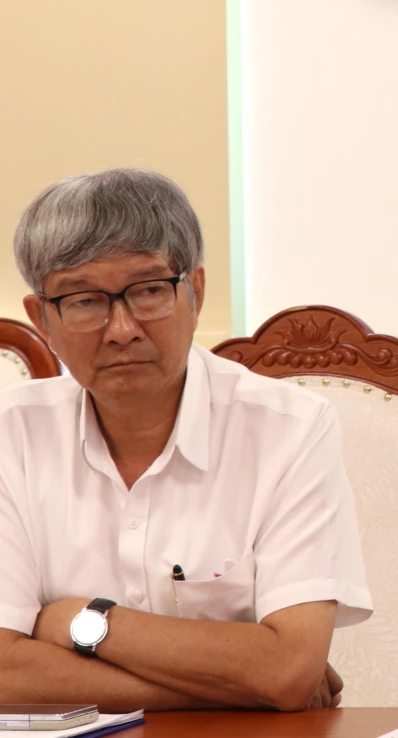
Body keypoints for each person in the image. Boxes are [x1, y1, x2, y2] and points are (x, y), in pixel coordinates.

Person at [0, 169, 371, 711]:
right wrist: (234, 687)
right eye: (84, 301)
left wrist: (78, 620)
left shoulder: (290, 429)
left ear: (195, 291)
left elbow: (288, 668)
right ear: (43, 319)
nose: (122, 329)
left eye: (149, 291)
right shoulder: (10, 435)